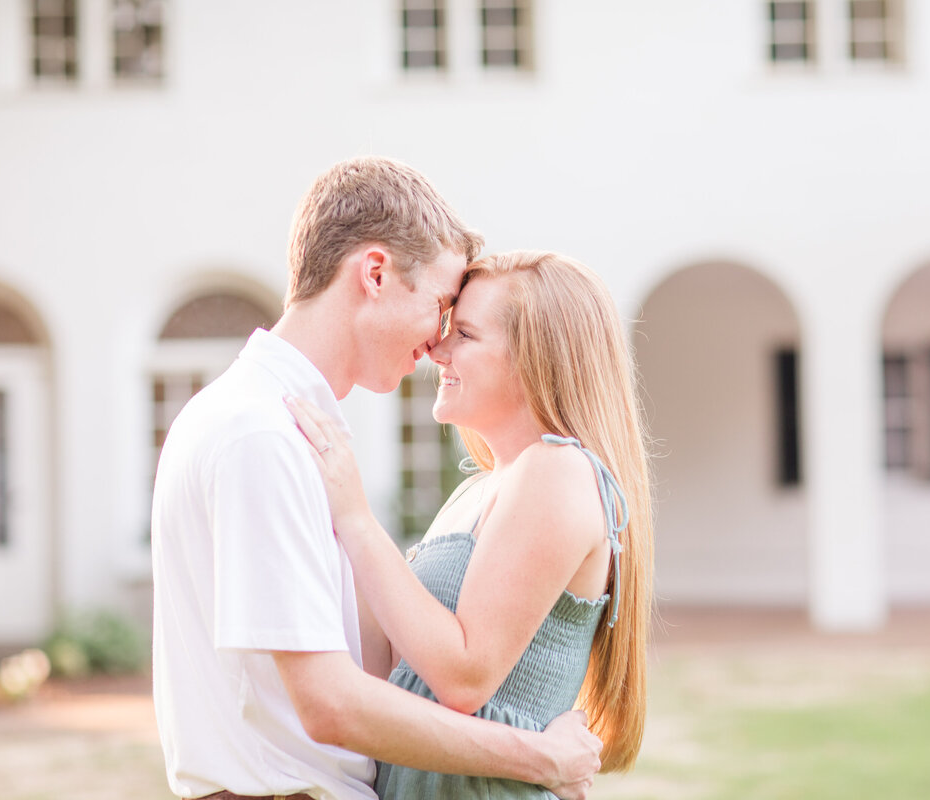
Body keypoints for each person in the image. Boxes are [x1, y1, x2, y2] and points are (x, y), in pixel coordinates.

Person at [151, 159, 603, 800]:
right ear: (375, 274)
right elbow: (331, 705)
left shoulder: (286, 429)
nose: (436, 343)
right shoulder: (262, 434)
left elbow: (378, 668)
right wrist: (539, 757)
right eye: (442, 307)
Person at [285, 249, 655, 798]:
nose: (436, 348)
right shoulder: (476, 492)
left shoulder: (557, 471)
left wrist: (357, 520)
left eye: (465, 334)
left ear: (536, 359)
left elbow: (462, 677)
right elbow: (391, 665)